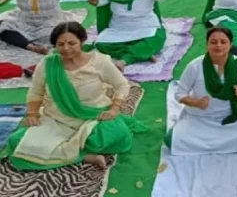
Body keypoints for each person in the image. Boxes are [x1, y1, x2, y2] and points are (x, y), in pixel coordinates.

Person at [4, 22, 144, 170]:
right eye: (60, 44)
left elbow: (122, 84)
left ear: (82, 41)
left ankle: (57, 152)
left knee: (115, 135)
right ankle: (83, 156)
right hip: (56, 119)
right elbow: (36, 91)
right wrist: (32, 114)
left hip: (92, 117)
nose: (66, 48)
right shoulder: (48, 64)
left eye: (72, 43)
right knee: (16, 141)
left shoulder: (100, 62)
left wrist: (114, 109)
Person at [165, 26, 237, 155]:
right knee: (171, 140)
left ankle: (209, 145)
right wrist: (196, 103)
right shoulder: (195, 66)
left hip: (233, 118)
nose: (218, 46)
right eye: (213, 42)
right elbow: (179, 94)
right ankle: (231, 144)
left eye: (223, 42)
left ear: (230, 45)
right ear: (207, 45)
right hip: (201, 119)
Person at [88, 0, 167, 68]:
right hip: (119, 30)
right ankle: (142, 53)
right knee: (101, 44)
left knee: (157, 38)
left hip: (146, 27)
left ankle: (125, 60)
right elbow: (93, 2)